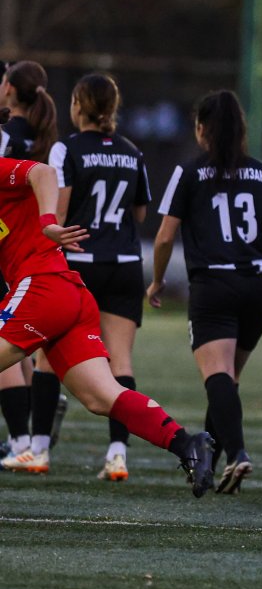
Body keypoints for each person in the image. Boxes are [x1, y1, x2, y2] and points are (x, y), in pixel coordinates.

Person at [0, 153, 214, 494]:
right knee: (102, 397)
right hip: (67, 294)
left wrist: (47, 223)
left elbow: (42, 172)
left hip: (43, 288)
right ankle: (186, 443)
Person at [148, 90, 262, 494]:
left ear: (202, 129)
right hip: (258, 284)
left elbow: (164, 237)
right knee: (227, 379)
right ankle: (213, 465)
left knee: (217, 375)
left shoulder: (190, 172)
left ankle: (237, 454)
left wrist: (158, 279)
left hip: (214, 284)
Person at [47, 73, 153, 481]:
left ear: (78, 104)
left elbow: (58, 213)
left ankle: (35, 447)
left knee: (45, 356)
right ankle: (117, 453)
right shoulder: (131, 151)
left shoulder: (67, 148)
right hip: (125, 262)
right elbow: (141, 212)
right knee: (120, 360)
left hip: (80, 260)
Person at [0, 60, 66, 471]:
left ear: (10, 89)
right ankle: (23, 435)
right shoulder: (47, 136)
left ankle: (20, 437)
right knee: (20, 346)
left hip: (12, 246)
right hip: (37, 253)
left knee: (9, 341)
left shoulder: (7, 138)